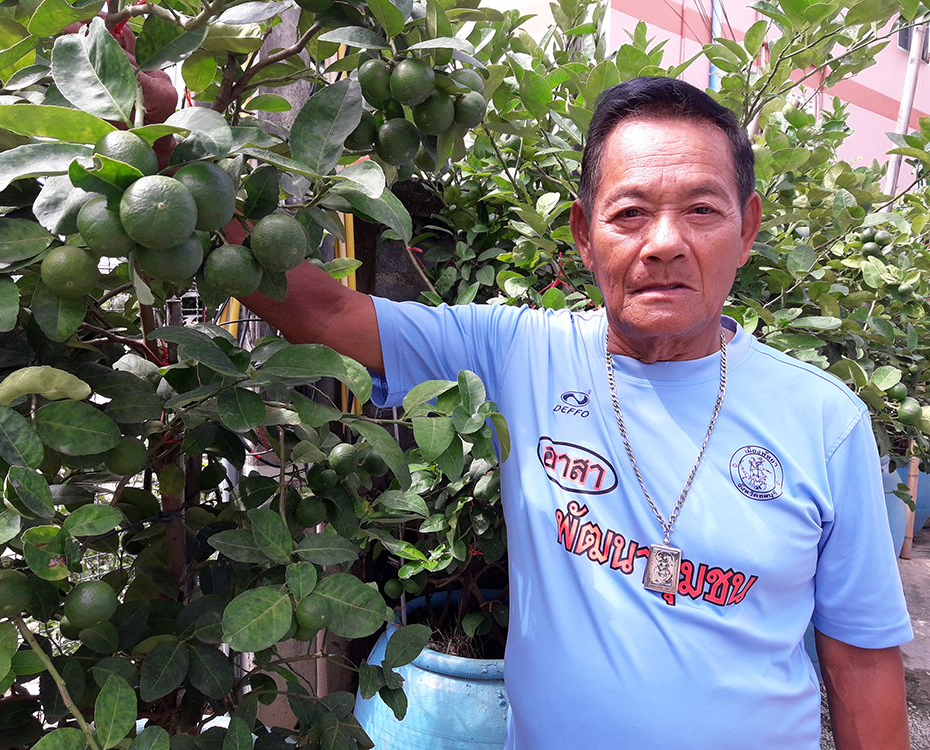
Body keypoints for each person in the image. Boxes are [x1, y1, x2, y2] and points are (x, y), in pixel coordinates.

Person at [240, 76, 913, 749]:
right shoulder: (518, 356)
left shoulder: (826, 421)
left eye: (702, 210)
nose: (665, 243)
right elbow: (324, 312)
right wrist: (187, 168)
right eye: (630, 213)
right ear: (584, 235)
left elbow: (861, 662)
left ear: (748, 230)